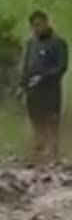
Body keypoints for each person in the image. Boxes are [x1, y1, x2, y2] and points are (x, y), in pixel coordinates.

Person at [20, 10, 68, 162]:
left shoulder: (58, 42)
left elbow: (61, 66)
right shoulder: (31, 43)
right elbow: (26, 67)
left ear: (46, 23)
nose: (36, 29)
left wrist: (43, 77)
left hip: (50, 90)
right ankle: (38, 151)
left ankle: (54, 153)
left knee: (51, 120)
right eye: (33, 26)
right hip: (33, 91)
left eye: (39, 25)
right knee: (36, 121)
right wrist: (22, 85)